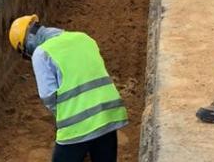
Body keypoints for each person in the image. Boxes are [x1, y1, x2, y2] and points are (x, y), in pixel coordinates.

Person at [9, 15, 128, 161]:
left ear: (25, 45)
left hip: (77, 124)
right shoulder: (84, 38)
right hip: (108, 115)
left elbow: (49, 97)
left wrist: (64, 122)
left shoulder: (41, 53)